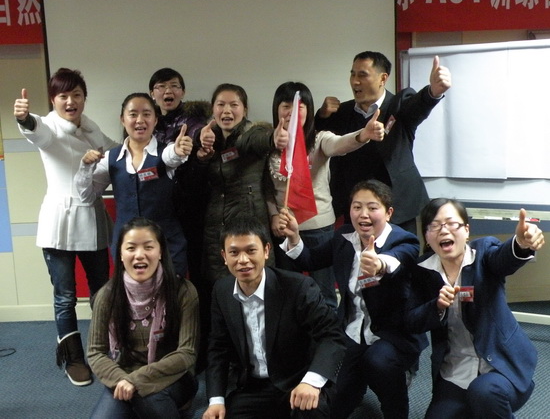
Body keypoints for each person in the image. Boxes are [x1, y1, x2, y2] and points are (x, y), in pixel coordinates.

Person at [279, 179, 427, 419]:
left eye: (372, 207)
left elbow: (397, 260)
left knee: (378, 363)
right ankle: (357, 386)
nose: (363, 214)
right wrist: (295, 237)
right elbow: (310, 260)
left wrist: (379, 264)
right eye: (357, 207)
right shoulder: (344, 236)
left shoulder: (404, 240)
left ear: (389, 213)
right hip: (352, 331)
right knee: (334, 404)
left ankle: (397, 399)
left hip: (392, 334)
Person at [13, 68, 118, 386]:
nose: (70, 101)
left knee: (102, 292)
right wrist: (24, 118)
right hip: (59, 223)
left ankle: (104, 352)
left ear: (85, 97)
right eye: (63, 96)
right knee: (65, 296)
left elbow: (117, 150)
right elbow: (36, 130)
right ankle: (73, 359)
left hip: (92, 219)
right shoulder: (50, 128)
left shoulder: (92, 128)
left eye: (76, 95)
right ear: (53, 99)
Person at [405, 198, 544, 419]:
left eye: (452, 223)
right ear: (427, 237)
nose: (444, 230)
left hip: (501, 366)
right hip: (455, 370)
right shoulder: (422, 271)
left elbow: (504, 258)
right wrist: (436, 306)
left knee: (484, 393)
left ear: (466, 230)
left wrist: (520, 242)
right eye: (435, 226)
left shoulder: (483, 252)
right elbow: (412, 321)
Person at [202, 215, 346, 419]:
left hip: (299, 380)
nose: (243, 260)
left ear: (266, 251)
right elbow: (218, 348)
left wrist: (311, 381)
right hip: (253, 387)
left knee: (311, 411)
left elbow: (332, 335)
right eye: (234, 252)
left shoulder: (298, 287)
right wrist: (216, 400)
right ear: (224, 256)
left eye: (251, 251)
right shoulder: (221, 291)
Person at [267, 81, 385, 309]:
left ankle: (328, 330)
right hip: (284, 228)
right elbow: (266, 188)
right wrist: (273, 216)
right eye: (286, 106)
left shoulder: (319, 139)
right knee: (287, 293)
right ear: (276, 110)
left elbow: (341, 144)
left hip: (319, 228)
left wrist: (363, 134)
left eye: (300, 106)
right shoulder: (267, 143)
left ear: (309, 110)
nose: (292, 112)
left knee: (324, 294)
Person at [314, 51, 451, 234]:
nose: (355, 81)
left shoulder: (399, 104)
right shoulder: (342, 112)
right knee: (355, 252)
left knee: (400, 250)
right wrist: (322, 116)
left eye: (362, 75)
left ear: (383, 78)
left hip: (397, 206)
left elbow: (417, 107)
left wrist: (432, 92)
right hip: (355, 206)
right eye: (353, 74)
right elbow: (319, 141)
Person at [88, 217, 199, 418]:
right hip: (123, 375)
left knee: (149, 399)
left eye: (148, 247)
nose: (140, 255)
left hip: (173, 376)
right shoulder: (107, 295)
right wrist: (123, 380)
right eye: (131, 248)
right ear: (121, 254)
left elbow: (187, 353)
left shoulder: (182, 291)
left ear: (160, 252)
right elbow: (95, 353)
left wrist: (135, 380)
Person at [75, 93, 192, 278]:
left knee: (170, 293)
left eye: (146, 114)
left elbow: (173, 156)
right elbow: (86, 195)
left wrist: (179, 151)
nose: (140, 120)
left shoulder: (165, 152)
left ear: (155, 120)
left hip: (167, 245)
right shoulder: (111, 158)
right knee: (130, 293)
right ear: (123, 119)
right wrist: (85, 167)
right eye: (133, 114)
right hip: (127, 249)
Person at [196, 83, 287, 285]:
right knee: (220, 289)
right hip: (215, 231)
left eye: (234, 105)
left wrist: (273, 138)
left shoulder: (253, 132)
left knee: (256, 286)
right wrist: (200, 145)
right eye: (221, 104)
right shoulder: (209, 136)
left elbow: (254, 140)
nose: (227, 110)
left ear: (244, 110)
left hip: (249, 227)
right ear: (213, 109)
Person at [149, 68, 211, 287]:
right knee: (161, 266)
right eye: (161, 87)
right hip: (159, 205)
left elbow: (197, 132)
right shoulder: (148, 122)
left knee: (196, 264)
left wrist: (201, 138)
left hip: (191, 205)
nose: (168, 91)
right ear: (152, 94)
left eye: (174, 86)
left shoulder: (193, 120)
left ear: (182, 92)